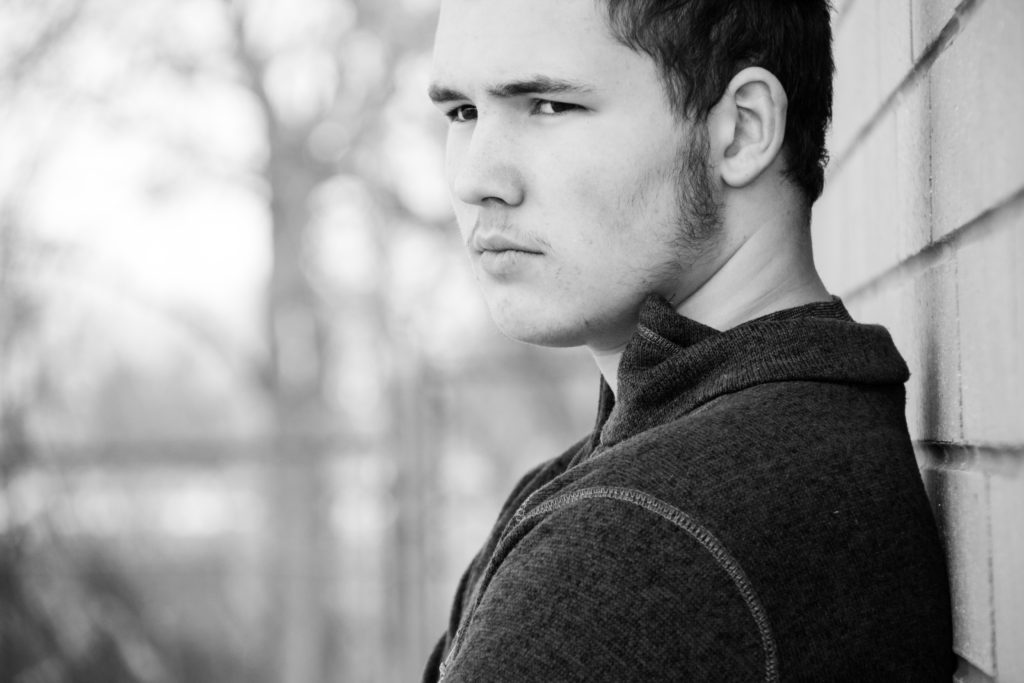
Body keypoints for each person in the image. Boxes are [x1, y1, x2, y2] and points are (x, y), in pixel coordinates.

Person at [424, 0, 953, 680]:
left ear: (741, 131)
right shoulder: (788, 434)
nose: (476, 180)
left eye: (549, 105)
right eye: (461, 113)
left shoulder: (637, 545)